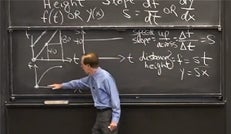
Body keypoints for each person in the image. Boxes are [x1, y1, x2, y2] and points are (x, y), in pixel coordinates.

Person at [49, 52, 121, 134]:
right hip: (101, 114)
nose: (81, 67)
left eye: (82, 65)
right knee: (95, 131)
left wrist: (115, 120)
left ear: (88, 66)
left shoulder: (105, 78)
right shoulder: (92, 77)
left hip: (108, 114)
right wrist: (62, 85)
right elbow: (79, 83)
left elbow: (115, 99)